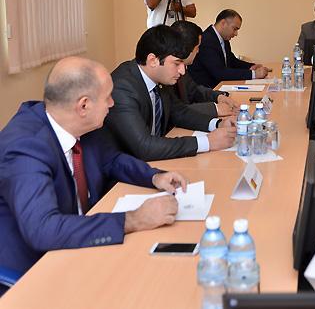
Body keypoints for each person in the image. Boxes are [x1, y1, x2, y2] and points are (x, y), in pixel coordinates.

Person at [0, 57, 187, 275]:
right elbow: (43, 230)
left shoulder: (73, 121)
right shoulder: (26, 149)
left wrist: (153, 177)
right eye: (107, 97)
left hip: (79, 238)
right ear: (84, 105)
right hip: (33, 267)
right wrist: (134, 219)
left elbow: (111, 159)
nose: (112, 104)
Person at [104, 25, 236, 161]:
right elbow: (144, 147)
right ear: (153, 60)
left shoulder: (159, 78)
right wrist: (207, 142)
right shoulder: (123, 89)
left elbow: (180, 113)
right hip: (125, 167)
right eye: (177, 64)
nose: (182, 71)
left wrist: (218, 124)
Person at [171, 20, 240, 117]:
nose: (198, 51)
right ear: (187, 48)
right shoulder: (166, 72)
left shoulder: (182, 69)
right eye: (197, 47)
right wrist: (215, 108)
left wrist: (218, 97)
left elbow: (195, 90)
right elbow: (176, 110)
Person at [188, 9, 270, 89]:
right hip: (208, 91)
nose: (236, 34)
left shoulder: (223, 38)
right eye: (234, 29)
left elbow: (232, 61)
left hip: (221, 86)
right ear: (223, 23)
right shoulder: (207, 40)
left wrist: (251, 66)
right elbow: (220, 72)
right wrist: (254, 74)